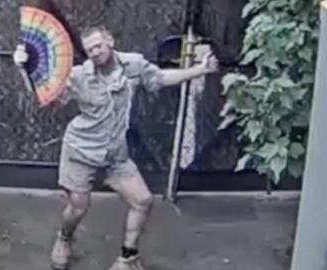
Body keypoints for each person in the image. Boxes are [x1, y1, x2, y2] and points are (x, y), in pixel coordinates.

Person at [13, 25, 218, 270]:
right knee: (78, 208)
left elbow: (160, 78)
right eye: (90, 50)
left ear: (109, 41)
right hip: (81, 150)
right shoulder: (78, 76)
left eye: (98, 46)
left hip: (115, 152)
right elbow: (47, 99)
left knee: (142, 200)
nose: (95, 53)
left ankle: (127, 258)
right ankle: (64, 238)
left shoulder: (133, 65)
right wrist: (25, 70)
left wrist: (200, 69)